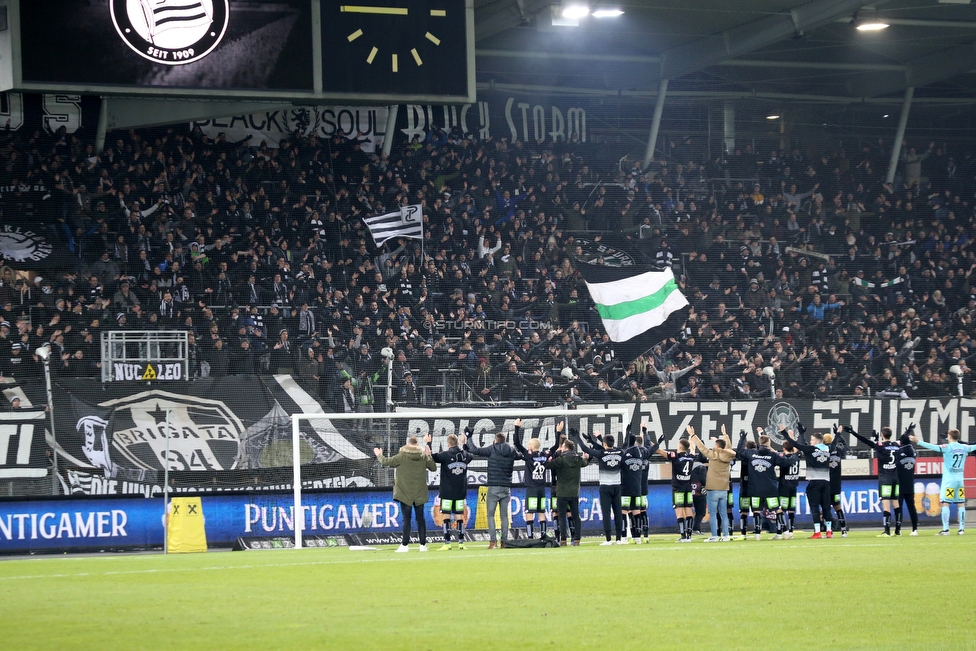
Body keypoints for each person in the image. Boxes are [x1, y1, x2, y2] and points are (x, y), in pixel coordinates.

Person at [374, 435, 436, 552]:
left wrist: (379, 454)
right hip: (419, 493)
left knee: (406, 519)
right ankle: (423, 545)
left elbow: (386, 462)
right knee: (421, 519)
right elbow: (433, 468)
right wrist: (429, 455)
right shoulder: (423, 457)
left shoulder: (402, 456)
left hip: (404, 493)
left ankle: (404, 545)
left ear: (408, 444)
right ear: (418, 445)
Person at [911, 428, 976, 535]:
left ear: (950, 437)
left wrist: (918, 442)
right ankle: (961, 529)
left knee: (945, 503)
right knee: (960, 503)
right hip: (960, 480)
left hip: (949, 481)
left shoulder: (947, 447)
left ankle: (946, 529)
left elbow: (932, 447)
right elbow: (974, 446)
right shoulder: (965, 447)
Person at [464, 427, 519, 549]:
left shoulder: (492, 449)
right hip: (506, 488)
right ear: (504, 440)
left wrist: (468, 437)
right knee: (504, 516)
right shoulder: (511, 451)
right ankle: (504, 542)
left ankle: (493, 542)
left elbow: (475, 450)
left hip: (493, 487)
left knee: (490, 515)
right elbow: (521, 455)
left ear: (495, 440)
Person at [512, 418, 562, 539]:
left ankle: (530, 537)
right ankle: (543, 535)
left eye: (529, 444)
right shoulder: (545, 455)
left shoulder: (529, 456)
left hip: (532, 488)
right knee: (541, 512)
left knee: (529, 512)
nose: (527, 446)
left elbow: (517, 444)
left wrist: (517, 428)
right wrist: (558, 432)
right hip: (541, 489)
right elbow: (556, 446)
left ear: (532, 446)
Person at [848, 425, 901, 537]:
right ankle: (897, 530)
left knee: (886, 504)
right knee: (896, 503)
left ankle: (886, 531)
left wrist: (853, 432)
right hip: (895, 478)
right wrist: (909, 431)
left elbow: (866, 441)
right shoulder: (896, 445)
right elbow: (904, 438)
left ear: (882, 435)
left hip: (885, 478)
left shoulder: (880, 446)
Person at [575, 427, 625, 545]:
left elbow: (584, 449)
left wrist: (577, 437)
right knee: (618, 512)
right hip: (617, 486)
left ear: (604, 443)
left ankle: (608, 539)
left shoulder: (602, 453)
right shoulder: (620, 452)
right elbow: (622, 446)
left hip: (605, 487)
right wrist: (595, 440)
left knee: (606, 512)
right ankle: (618, 539)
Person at [783, 424, 834, 539]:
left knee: (815, 507)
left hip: (814, 482)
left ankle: (817, 532)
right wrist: (839, 434)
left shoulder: (811, 450)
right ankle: (829, 531)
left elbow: (796, 444)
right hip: (826, 482)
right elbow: (834, 444)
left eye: (812, 440)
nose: (810, 442)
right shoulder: (828, 449)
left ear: (816, 441)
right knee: (826, 507)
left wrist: (784, 433)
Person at [740, 427, 791, 540]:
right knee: (777, 509)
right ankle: (786, 532)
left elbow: (740, 451)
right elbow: (786, 463)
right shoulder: (772, 455)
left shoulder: (752, 453)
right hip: (770, 488)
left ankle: (757, 534)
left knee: (756, 511)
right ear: (769, 443)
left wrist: (742, 439)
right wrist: (796, 456)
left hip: (755, 489)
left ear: (759, 443)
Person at [689, 424, 735, 542]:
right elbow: (728, 448)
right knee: (724, 513)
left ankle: (714, 536)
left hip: (712, 489)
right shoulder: (728, 456)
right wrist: (725, 435)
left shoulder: (713, 455)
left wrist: (693, 435)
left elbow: (702, 447)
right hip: (724, 488)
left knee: (713, 513)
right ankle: (725, 535)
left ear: (716, 446)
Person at [431, 432, 473, 550]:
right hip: (460, 492)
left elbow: (431, 456)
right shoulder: (464, 455)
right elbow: (471, 455)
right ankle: (461, 543)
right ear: (457, 442)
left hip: (447, 493)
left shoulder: (444, 455)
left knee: (446, 516)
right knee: (459, 516)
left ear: (448, 443)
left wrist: (428, 442)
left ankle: (447, 543)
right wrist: (465, 444)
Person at [545, 437, 590, 546]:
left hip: (562, 492)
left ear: (565, 447)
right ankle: (577, 539)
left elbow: (547, 465)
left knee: (561, 516)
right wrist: (585, 457)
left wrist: (548, 458)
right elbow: (585, 463)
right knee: (576, 516)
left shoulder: (561, 459)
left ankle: (563, 539)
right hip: (574, 493)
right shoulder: (578, 459)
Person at [656, 435, 696, 542]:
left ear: (679, 446)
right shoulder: (691, 457)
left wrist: (652, 443)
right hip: (688, 488)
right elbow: (693, 449)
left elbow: (660, 451)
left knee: (679, 512)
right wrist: (691, 438)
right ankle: (689, 536)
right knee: (688, 510)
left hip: (678, 488)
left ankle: (683, 536)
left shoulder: (676, 456)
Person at [622, 425, 657, 544]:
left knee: (631, 512)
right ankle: (645, 536)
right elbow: (649, 446)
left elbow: (623, 448)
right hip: (643, 488)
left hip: (632, 486)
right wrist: (645, 431)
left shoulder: (629, 453)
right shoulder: (645, 453)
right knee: (642, 511)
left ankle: (632, 535)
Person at [824, 425, 849, 537]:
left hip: (827, 483)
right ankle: (843, 530)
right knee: (838, 507)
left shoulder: (824, 451)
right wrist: (839, 436)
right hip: (837, 483)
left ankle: (830, 531)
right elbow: (845, 446)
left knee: (827, 508)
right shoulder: (838, 450)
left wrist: (837, 436)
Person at [895, 424, 919, 536]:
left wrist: (906, 433)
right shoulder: (914, 451)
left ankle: (898, 529)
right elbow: (902, 440)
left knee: (898, 507)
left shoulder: (899, 451)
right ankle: (915, 529)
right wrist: (908, 431)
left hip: (900, 483)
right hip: (910, 483)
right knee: (911, 507)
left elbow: (899, 441)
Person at [777, 440, 801, 539]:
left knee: (780, 509)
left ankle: (780, 532)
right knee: (791, 510)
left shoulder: (783, 458)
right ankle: (791, 531)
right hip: (794, 485)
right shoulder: (797, 458)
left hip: (784, 486)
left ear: (784, 448)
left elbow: (774, 454)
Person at [737, 438, 757, 539]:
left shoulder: (744, 456)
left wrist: (741, 440)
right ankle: (757, 531)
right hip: (756, 487)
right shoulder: (759, 456)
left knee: (744, 510)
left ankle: (743, 532)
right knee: (756, 510)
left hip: (745, 486)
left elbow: (738, 452)